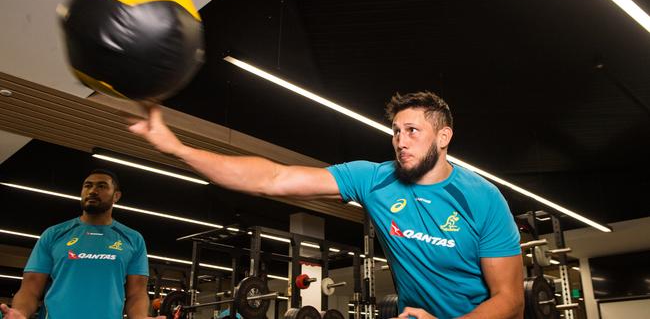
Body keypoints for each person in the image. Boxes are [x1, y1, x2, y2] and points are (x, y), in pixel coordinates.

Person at [127, 91, 524, 319]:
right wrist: (177, 148)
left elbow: (509, 298)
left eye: (413, 131)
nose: (400, 141)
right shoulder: (374, 178)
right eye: (396, 131)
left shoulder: (482, 199)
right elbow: (272, 179)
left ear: (443, 137)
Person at [0, 169, 163, 319]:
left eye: (102, 186)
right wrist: (20, 313)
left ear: (116, 196)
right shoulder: (54, 234)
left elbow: (137, 294)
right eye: (88, 186)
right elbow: (30, 289)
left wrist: (140, 317)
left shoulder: (132, 239)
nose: (92, 191)